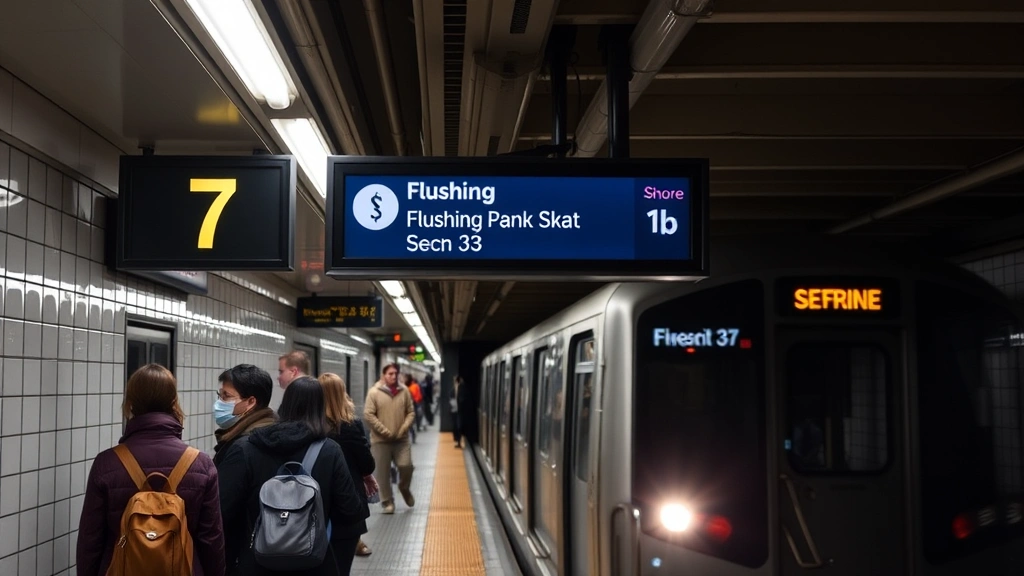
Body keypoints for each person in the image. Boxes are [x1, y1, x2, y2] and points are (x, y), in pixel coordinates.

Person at [77, 364, 225, 576]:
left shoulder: (107, 463)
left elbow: (90, 541)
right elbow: (211, 540)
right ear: (174, 402)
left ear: (130, 404)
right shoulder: (200, 464)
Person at [217, 376, 364, 575]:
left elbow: (223, 510)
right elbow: (351, 511)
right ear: (321, 407)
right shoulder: (330, 451)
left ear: (285, 404)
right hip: (313, 563)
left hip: (255, 562)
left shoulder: (247, 447)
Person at [212, 364, 277, 572]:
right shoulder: (272, 432)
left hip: (242, 553)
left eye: (226, 396)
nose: (219, 403)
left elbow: (221, 508)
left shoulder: (242, 447)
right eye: (219, 394)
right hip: (267, 546)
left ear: (250, 402)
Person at [319, 373, 377, 563]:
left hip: (315, 504)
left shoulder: (310, 426)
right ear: (342, 394)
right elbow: (367, 464)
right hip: (347, 505)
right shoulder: (351, 426)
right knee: (341, 564)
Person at [364, 363, 416, 514]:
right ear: (383, 375)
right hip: (381, 441)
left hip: (401, 439)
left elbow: (411, 412)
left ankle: (404, 487)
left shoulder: (404, 391)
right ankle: (388, 502)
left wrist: (403, 429)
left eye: (395, 374)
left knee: (406, 466)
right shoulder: (374, 393)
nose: (393, 376)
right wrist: (383, 430)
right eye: (390, 374)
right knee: (383, 473)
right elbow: (368, 414)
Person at [451, 375, 469, 448]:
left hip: (460, 410)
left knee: (459, 426)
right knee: (456, 426)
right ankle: (458, 441)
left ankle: (460, 441)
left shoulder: (461, 388)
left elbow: (462, 398)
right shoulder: (454, 388)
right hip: (455, 410)